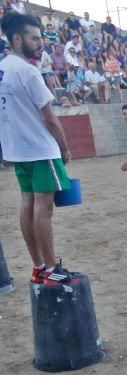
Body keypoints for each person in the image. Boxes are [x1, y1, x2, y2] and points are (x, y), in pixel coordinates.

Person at [0, 12, 73, 283]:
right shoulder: (27, 71)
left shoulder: (3, 68)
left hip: (16, 149)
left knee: (27, 203)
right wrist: (64, 148)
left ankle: (39, 266)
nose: (40, 43)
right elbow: (50, 118)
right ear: (17, 39)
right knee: (44, 206)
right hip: (40, 149)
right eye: (35, 38)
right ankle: (52, 267)